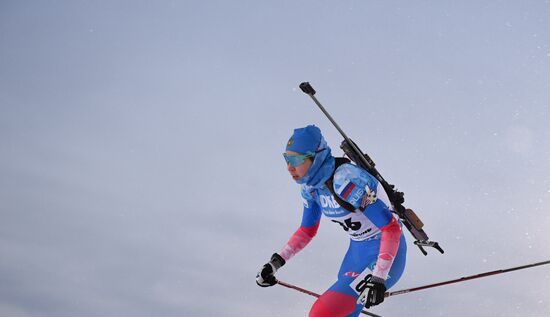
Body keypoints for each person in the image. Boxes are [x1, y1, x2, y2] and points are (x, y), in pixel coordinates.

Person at [256, 125, 407, 317]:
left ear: (316, 157)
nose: (289, 167)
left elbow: (391, 228)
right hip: (356, 255)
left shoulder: (346, 181)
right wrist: (275, 263)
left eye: (296, 159)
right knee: (342, 312)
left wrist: (379, 277)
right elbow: (306, 231)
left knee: (323, 313)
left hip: (386, 253)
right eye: (286, 159)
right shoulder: (311, 188)